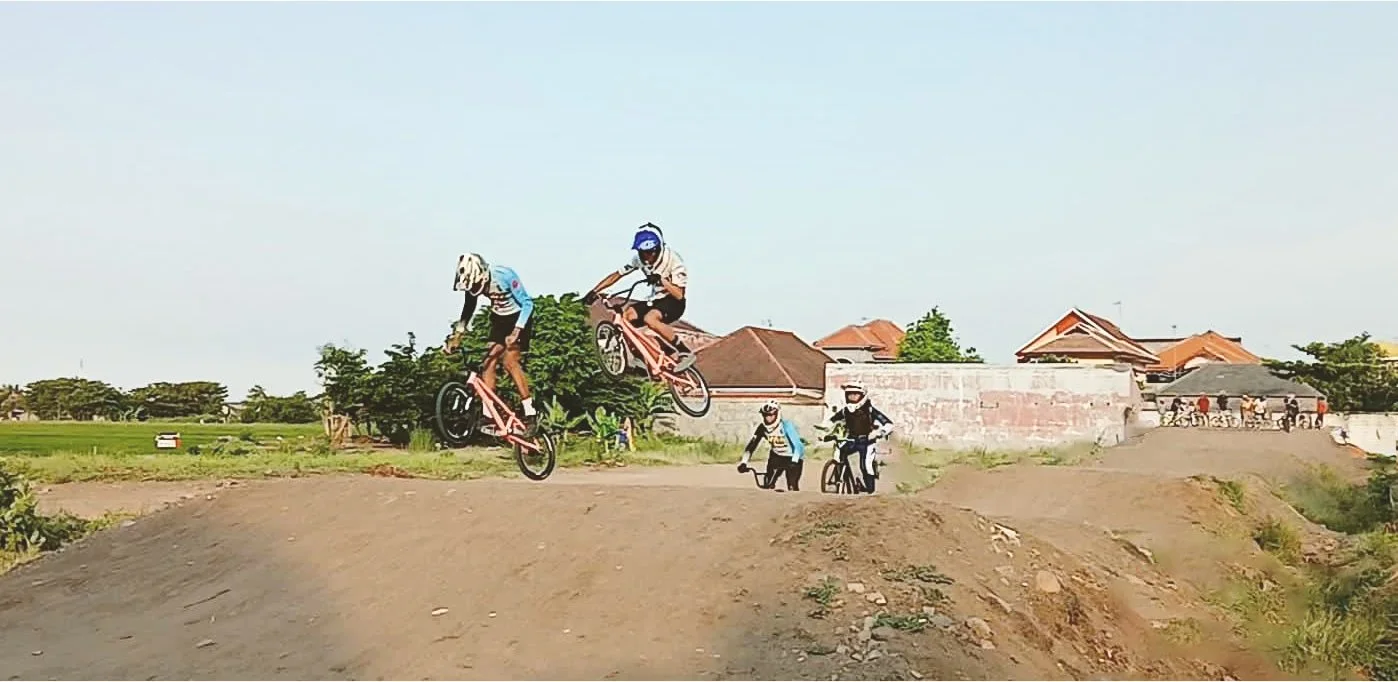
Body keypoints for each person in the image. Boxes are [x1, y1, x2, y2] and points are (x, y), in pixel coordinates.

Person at [583, 223, 696, 372]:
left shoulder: (673, 260)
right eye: (643, 253)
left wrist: (661, 280)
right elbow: (617, 274)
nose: (647, 257)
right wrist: (594, 291)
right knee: (626, 317)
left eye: (650, 253)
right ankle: (641, 358)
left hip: (673, 302)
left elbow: (679, 294)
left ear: (657, 250)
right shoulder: (639, 260)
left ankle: (684, 351)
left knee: (650, 319)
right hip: (655, 300)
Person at [445, 253, 537, 432]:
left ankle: (530, 412)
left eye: (478, 285)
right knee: (488, 361)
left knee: (509, 362)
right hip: (499, 319)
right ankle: (488, 416)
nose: (477, 290)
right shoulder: (472, 285)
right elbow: (468, 311)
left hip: (519, 317)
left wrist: (516, 331)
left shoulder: (504, 276)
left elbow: (528, 304)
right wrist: (457, 337)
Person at [826, 381, 893, 494]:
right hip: (851, 439)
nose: (852, 397)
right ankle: (839, 479)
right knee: (839, 453)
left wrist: (880, 432)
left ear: (862, 396)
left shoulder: (870, 410)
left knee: (866, 465)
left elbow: (888, 424)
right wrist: (824, 430)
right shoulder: (845, 411)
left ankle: (870, 492)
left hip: (867, 442)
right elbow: (830, 421)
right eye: (849, 395)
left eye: (855, 395)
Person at [737, 401, 807, 492]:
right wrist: (744, 462)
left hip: (793, 457)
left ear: (777, 414)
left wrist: (794, 461)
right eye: (765, 415)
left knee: (792, 486)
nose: (768, 418)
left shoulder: (786, 426)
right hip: (776, 456)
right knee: (767, 484)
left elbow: (798, 446)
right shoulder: (762, 428)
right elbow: (752, 446)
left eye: (771, 415)